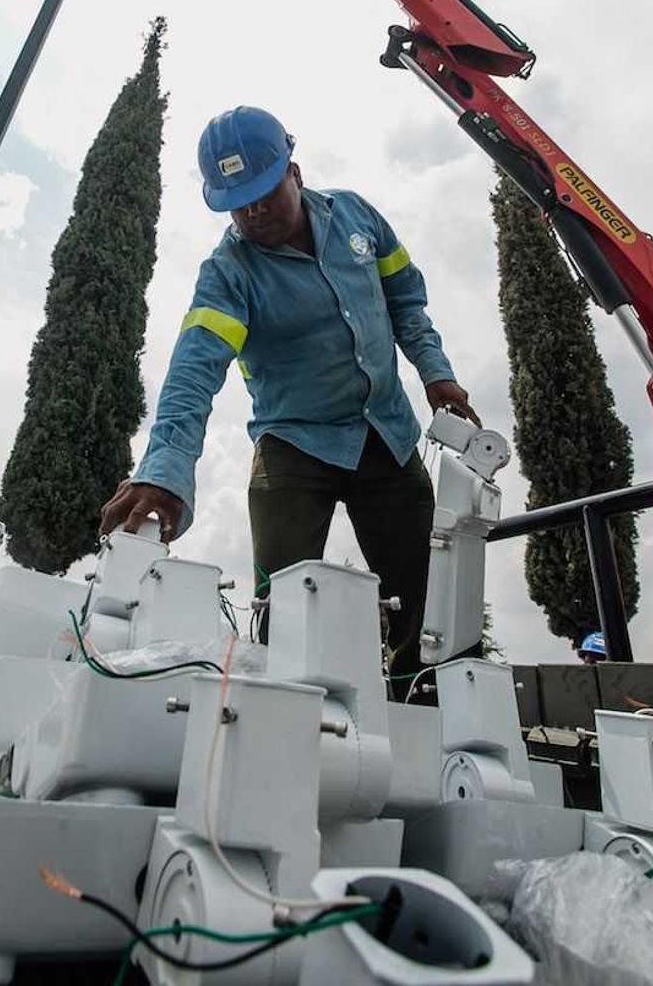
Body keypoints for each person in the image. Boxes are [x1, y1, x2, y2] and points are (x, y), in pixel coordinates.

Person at [99, 106, 480, 687]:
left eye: (262, 193)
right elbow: (193, 374)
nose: (252, 211)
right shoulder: (228, 274)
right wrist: (165, 472)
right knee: (282, 605)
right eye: (237, 202)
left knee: (427, 602)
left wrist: (436, 374)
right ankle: (282, 719)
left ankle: (423, 714)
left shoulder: (358, 217)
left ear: (293, 172)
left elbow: (406, 301)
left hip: (388, 436)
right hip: (294, 447)